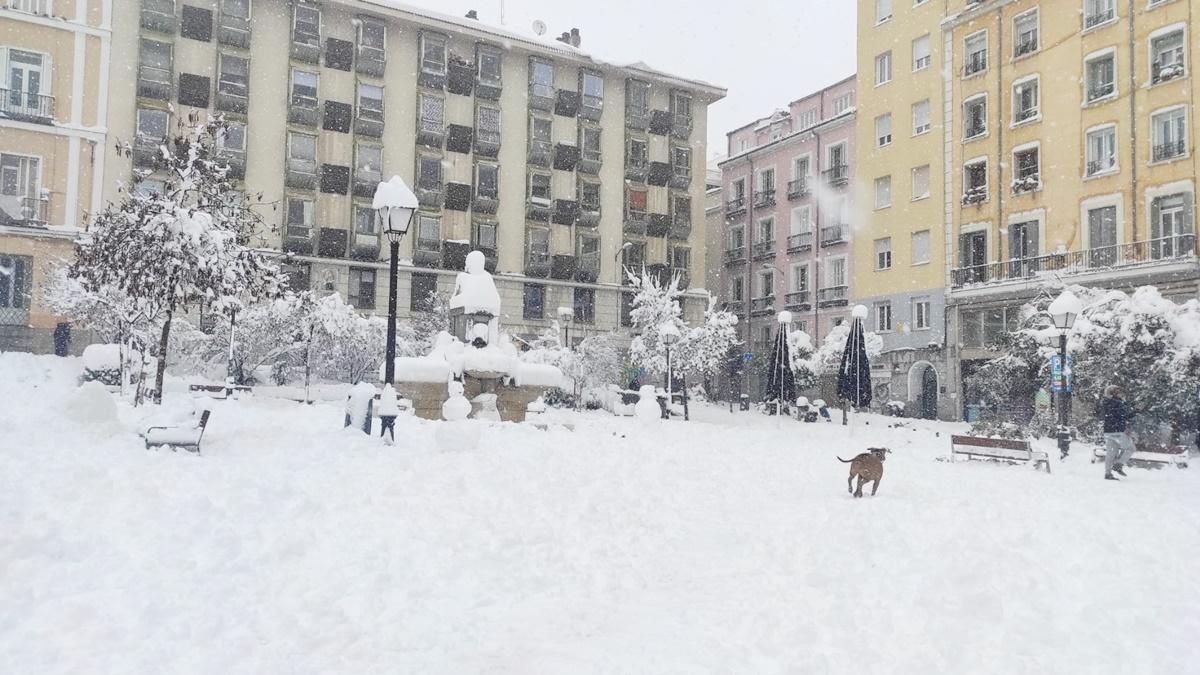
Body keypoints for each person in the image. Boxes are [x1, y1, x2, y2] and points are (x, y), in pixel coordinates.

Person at [1100, 385, 1136, 481]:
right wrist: (1135, 411)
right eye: (1118, 391)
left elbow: (1105, 415)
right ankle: (1118, 465)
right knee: (1130, 448)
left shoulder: (1105, 402)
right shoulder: (1118, 403)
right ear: (1114, 393)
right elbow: (1124, 416)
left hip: (1108, 431)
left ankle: (1108, 473)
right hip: (1118, 431)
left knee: (1111, 453)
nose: (1120, 393)